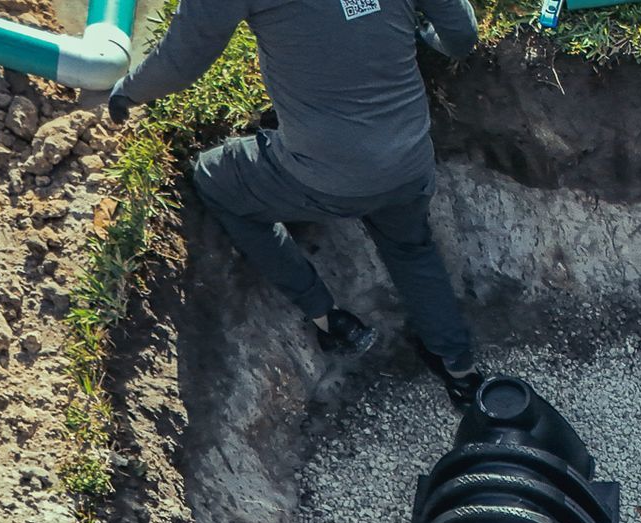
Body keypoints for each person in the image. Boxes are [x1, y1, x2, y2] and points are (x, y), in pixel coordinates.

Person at [107, 0, 484, 405]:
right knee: (410, 247)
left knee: (215, 179)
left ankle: (328, 317)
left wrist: (126, 93)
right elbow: (461, 35)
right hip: (408, 164)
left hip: (319, 177)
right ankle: (461, 373)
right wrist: (425, 38)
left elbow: (181, 62)